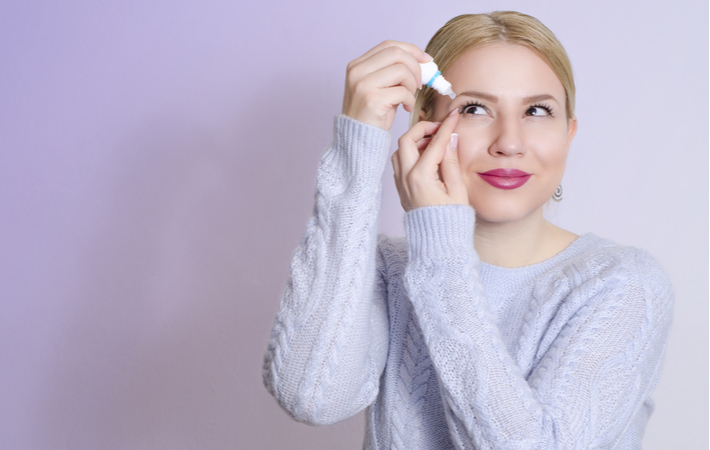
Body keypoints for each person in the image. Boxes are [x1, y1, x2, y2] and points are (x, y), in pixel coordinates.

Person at [263, 11, 673, 449]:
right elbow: (312, 398)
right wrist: (358, 150)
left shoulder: (623, 284)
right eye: (474, 108)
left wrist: (440, 251)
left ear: (568, 134)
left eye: (537, 110)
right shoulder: (384, 269)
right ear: (425, 126)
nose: (509, 142)